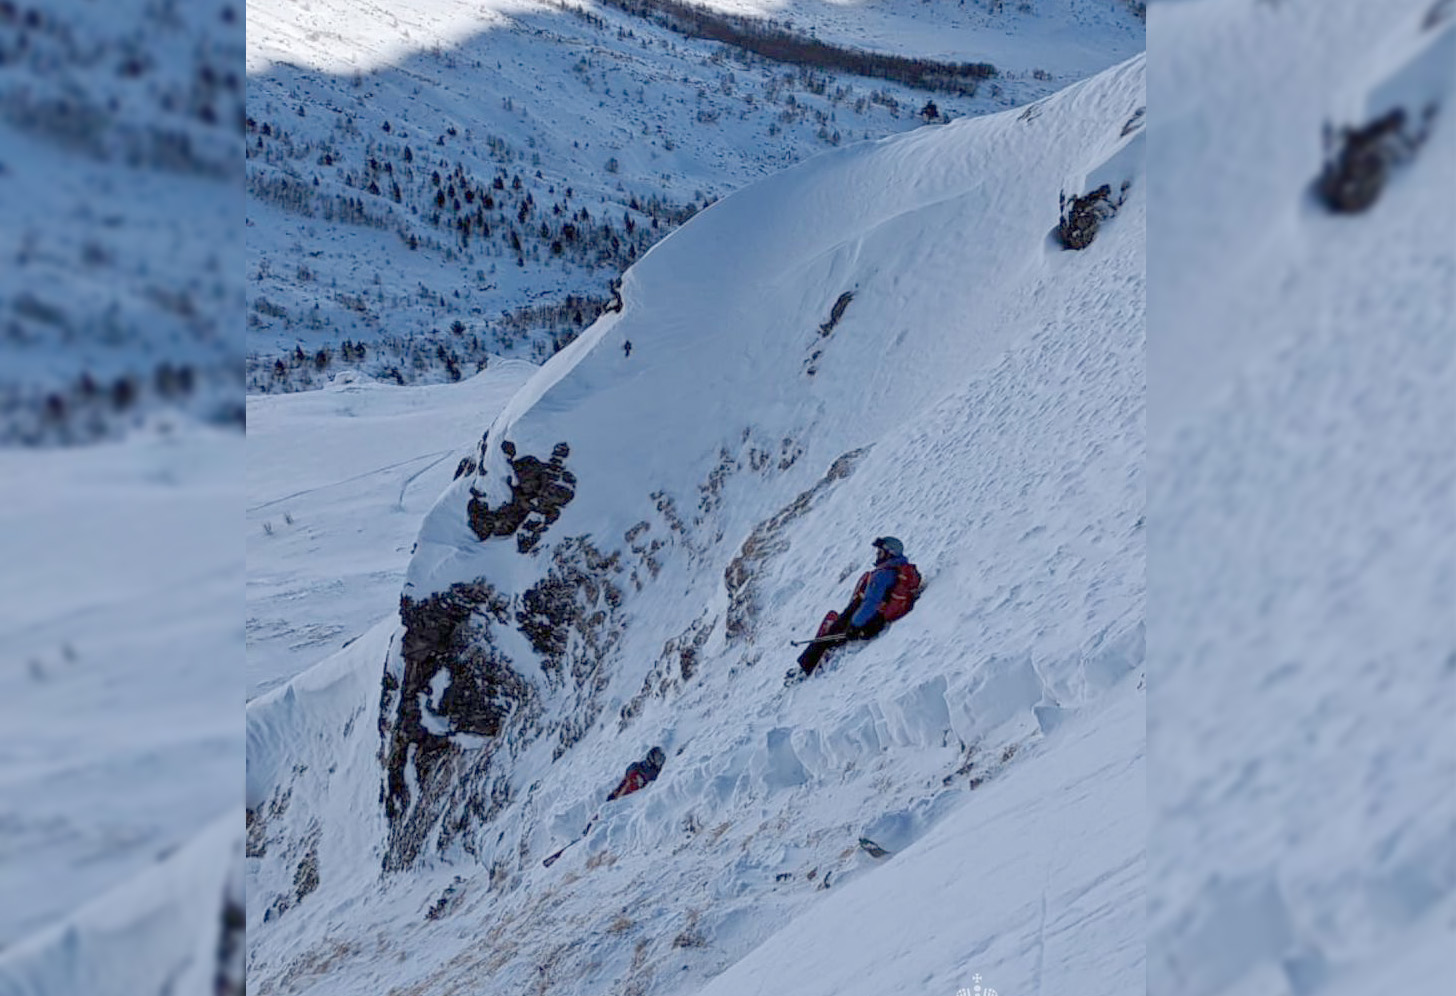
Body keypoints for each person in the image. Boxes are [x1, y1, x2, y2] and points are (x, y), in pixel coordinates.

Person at [795, 536, 921, 677]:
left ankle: (802, 669)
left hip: (869, 622)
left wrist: (854, 626)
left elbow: (870, 603)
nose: (877, 555)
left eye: (880, 552)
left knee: (830, 634)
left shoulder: (882, 575)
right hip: (878, 619)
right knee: (835, 631)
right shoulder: (899, 569)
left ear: (889, 553)